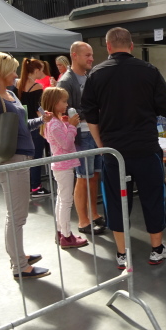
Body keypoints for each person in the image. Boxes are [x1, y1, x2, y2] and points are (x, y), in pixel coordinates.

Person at [81, 27, 166, 269]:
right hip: (146, 149)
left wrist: (101, 146)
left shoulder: (96, 74)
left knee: (116, 201)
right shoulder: (149, 71)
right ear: (131, 46)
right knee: (153, 197)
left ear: (108, 46)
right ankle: (157, 250)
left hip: (114, 152)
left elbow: (90, 115)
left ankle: (122, 254)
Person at [0, 52, 53, 279]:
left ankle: (19, 256)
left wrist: (41, 120)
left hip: (21, 156)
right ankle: (19, 265)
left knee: (18, 214)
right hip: (11, 159)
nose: (15, 75)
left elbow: (21, 126)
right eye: (11, 70)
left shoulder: (9, 94)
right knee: (17, 215)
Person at [57, 41, 105, 235]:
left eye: (91, 55)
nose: (91, 59)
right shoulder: (66, 81)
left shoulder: (89, 77)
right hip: (81, 135)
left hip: (94, 132)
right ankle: (83, 220)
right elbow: (65, 111)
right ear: (74, 56)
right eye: (87, 55)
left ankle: (93, 214)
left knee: (94, 176)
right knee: (83, 177)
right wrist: (92, 112)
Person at [40, 87, 88, 249]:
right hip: (64, 166)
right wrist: (72, 126)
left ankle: (61, 231)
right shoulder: (54, 124)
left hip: (62, 165)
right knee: (66, 201)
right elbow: (66, 144)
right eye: (64, 101)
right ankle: (67, 236)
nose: (67, 104)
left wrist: (67, 124)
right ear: (55, 103)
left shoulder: (55, 121)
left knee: (62, 199)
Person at [15, 58, 51, 198]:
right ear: (36, 71)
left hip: (21, 125)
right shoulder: (37, 87)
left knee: (24, 156)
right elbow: (38, 109)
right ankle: (36, 186)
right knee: (36, 156)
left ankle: (27, 185)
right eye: (42, 70)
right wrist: (46, 119)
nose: (43, 73)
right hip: (34, 125)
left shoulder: (16, 84)